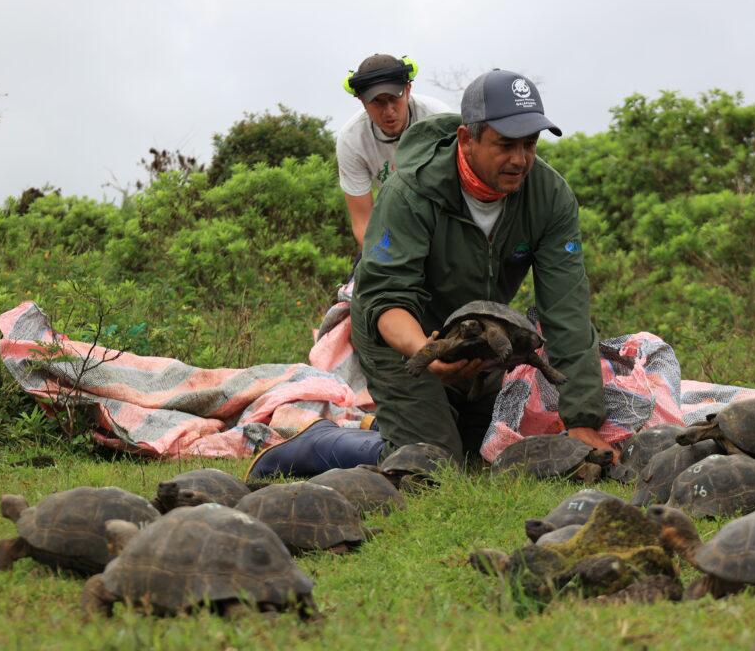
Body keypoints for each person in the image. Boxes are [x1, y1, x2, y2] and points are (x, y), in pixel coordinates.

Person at [249, 69, 611, 478]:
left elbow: (566, 310)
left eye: (530, 144)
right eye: (506, 144)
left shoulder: (550, 196)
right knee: (432, 463)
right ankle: (318, 442)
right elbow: (387, 298)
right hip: (399, 335)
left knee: (481, 452)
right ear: (466, 140)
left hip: (473, 336)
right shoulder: (410, 191)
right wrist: (427, 352)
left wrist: (582, 421)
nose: (520, 159)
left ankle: (400, 422)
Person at [335, 53, 453, 249]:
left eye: (394, 98)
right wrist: (383, 257)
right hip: (396, 227)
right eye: (377, 101)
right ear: (362, 101)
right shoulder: (351, 140)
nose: (388, 111)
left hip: (447, 220)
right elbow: (363, 222)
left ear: (408, 90)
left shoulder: (440, 120)